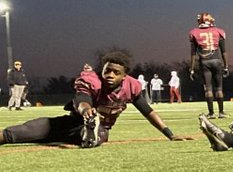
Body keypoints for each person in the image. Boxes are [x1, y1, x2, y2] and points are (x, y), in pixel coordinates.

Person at [1, 53, 183, 148]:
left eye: (116, 72)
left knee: (101, 134)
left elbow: (148, 111)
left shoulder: (131, 86)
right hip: (69, 122)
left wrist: (170, 134)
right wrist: (86, 110)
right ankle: (89, 130)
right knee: (15, 133)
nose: (110, 75)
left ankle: (89, 134)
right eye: (107, 71)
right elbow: (82, 99)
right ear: (102, 70)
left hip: (99, 127)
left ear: (124, 75)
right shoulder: (92, 80)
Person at [189, 12, 228, 118]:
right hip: (216, 59)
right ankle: (221, 112)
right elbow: (224, 51)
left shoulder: (194, 32)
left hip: (204, 61)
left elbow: (193, 54)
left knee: (208, 89)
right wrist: (226, 66)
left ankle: (211, 113)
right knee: (219, 88)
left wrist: (191, 69)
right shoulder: (218, 31)